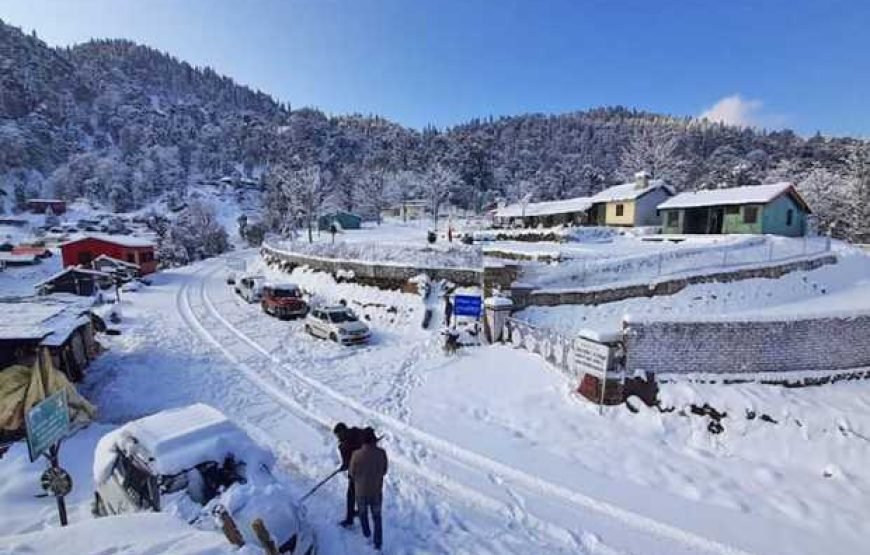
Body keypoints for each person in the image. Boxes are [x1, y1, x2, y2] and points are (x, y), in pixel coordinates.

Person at [349, 428, 388, 550]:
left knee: (363, 513)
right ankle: (378, 543)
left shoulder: (356, 454)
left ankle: (367, 534)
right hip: (376, 491)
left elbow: (351, 473)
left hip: (361, 491)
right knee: (377, 517)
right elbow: (384, 470)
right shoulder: (382, 453)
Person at [334, 422, 364, 527]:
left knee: (351, 495)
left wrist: (342, 467)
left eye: (338, 435)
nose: (338, 437)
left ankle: (349, 520)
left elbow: (347, 464)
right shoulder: (357, 432)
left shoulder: (343, 446)